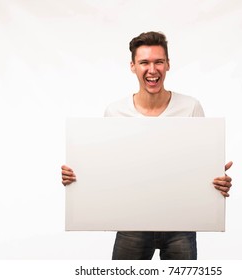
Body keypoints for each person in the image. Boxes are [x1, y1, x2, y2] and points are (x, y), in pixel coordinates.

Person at [61, 31, 233, 260]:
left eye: (158, 62)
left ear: (168, 65)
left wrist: (217, 182)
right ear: (133, 66)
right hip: (132, 223)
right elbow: (108, 169)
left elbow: (199, 166)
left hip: (180, 223)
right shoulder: (115, 112)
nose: (152, 70)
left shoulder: (191, 107)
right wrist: (77, 178)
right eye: (144, 62)